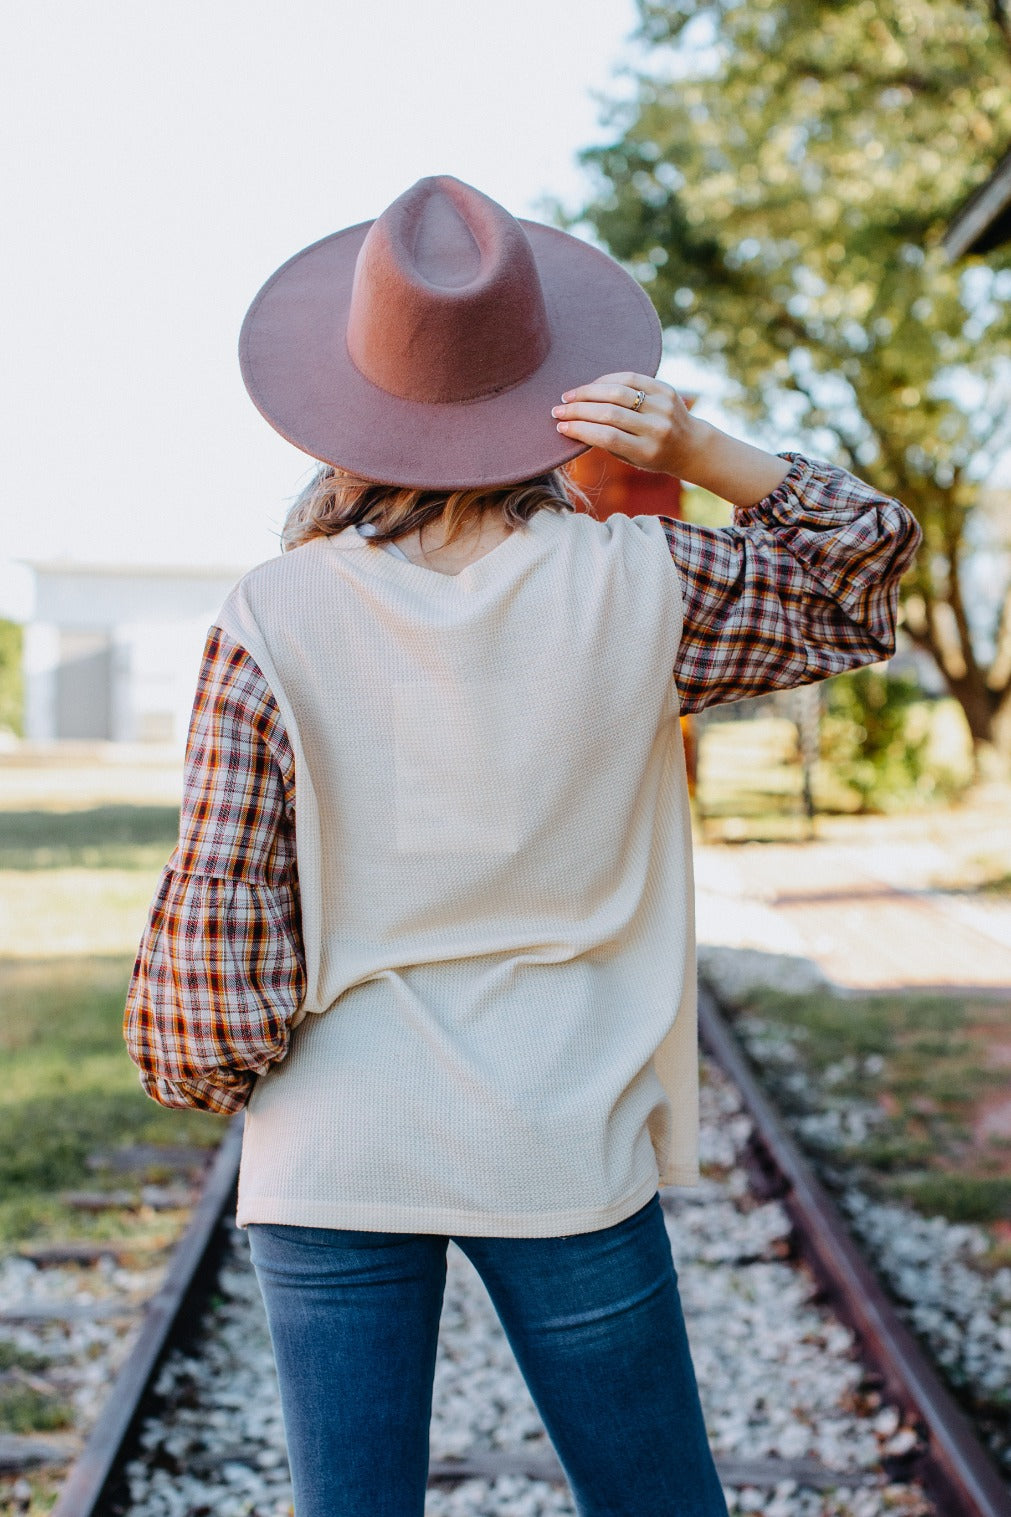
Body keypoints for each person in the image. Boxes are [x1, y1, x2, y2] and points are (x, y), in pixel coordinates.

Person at [124, 175, 922, 1517]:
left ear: (345, 404)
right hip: (564, 1132)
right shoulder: (648, 585)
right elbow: (863, 577)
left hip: (337, 1146)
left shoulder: (270, 614)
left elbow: (215, 955)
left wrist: (248, 1066)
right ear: (543, 392)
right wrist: (703, 447)